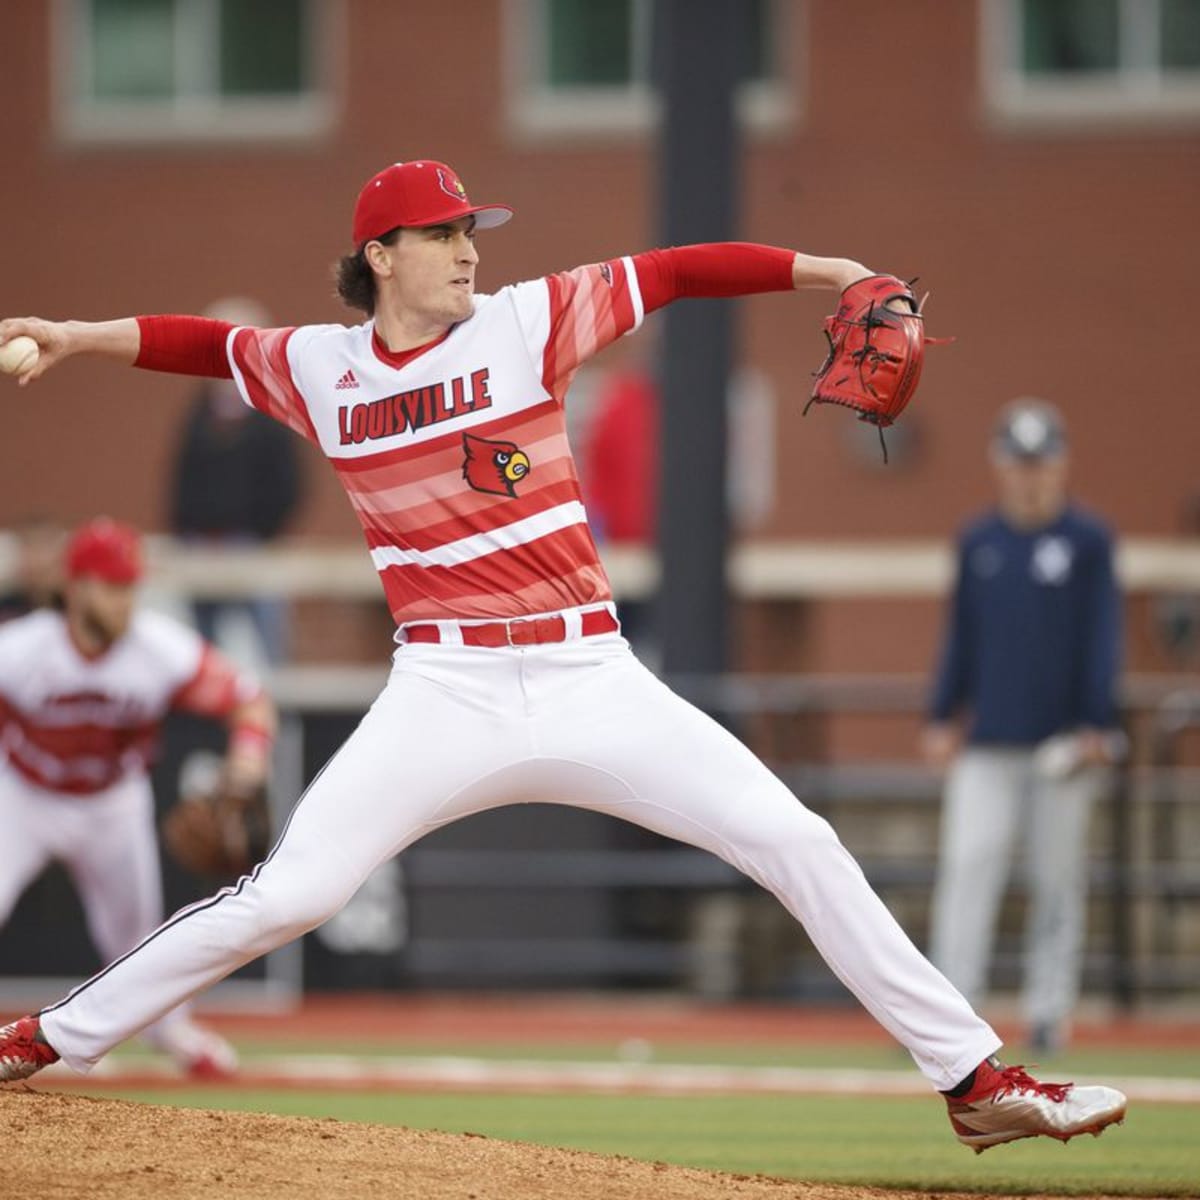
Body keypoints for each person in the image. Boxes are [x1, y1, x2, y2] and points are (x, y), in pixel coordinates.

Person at [0, 160, 1125, 1151]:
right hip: (444, 687)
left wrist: (833, 271)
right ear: (379, 256)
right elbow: (201, 345)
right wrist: (77, 336)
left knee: (798, 838)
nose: (466, 249)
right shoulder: (320, 368)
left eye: (469, 230)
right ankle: (44, 1037)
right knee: (289, 894)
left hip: (593, 676)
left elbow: (681, 269)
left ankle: (976, 1080)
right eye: (441, 234)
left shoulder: (529, 320)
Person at [0, 518, 277, 1078]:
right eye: (111, 585)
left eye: (131, 587)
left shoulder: (160, 649)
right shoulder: (21, 649)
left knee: (137, 936)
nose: (125, 600)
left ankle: (171, 1030)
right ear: (76, 587)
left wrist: (244, 775)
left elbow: (250, 702)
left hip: (111, 802)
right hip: (24, 794)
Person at [922, 399, 1123, 1055]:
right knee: (968, 870)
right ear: (999, 466)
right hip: (987, 743)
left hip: (1061, 744)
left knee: (1058, 880)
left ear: (1060, 466)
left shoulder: (1088, 541)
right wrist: (940, 714)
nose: (1031, 476)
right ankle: (953, 1013)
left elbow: (1103, 636)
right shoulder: (979, 540)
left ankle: (1048, 1013)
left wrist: (1097, 721)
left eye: (1041, 463)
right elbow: (961, 635)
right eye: (1019, 462)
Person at [168, 297, 303, 665]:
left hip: (252, 547)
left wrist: (260, 533)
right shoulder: (199, 415)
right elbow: (182, 479)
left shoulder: (272, 411)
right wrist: (188, 531)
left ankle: (277, 717)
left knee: (271, 653)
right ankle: (206, 721)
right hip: (199, 545)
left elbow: (288, 484)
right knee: (200, 652)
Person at [0, 515, 66, 623]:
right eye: (30, 546)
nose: (39, 559)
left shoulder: (73, 607)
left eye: (46, 547)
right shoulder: (6, 608)